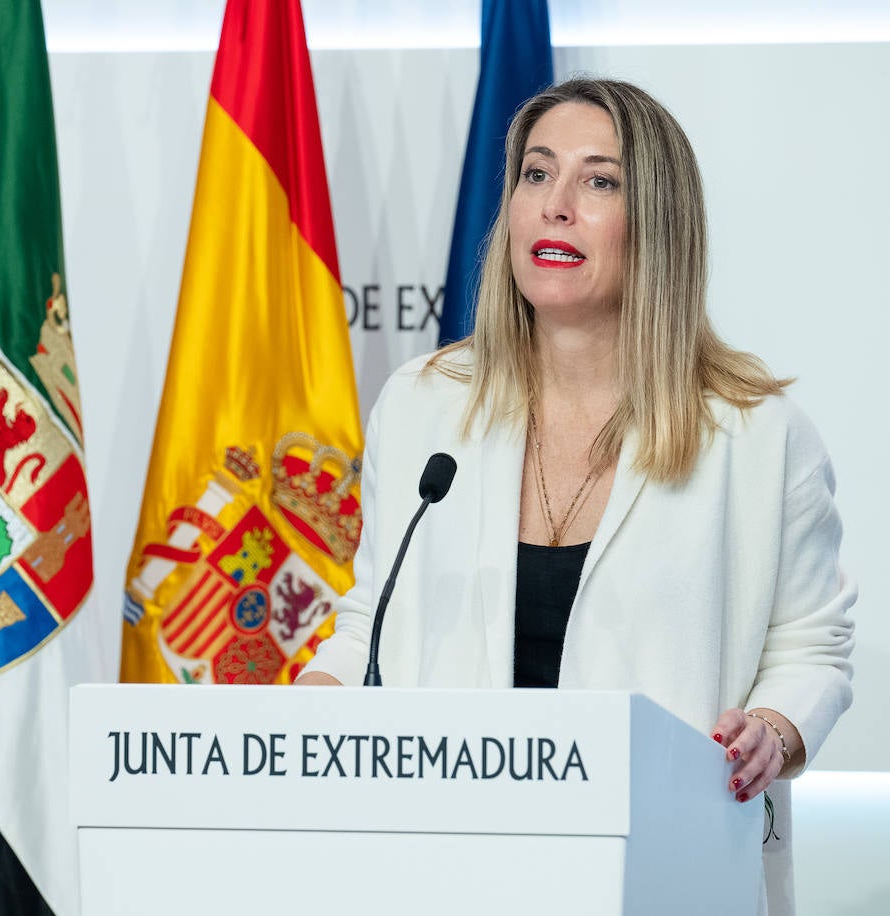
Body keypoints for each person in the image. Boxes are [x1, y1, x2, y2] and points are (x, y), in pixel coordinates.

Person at [294, 78, 855, 914]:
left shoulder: (756, 434)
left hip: (658, 870)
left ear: (658, 222)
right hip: (447, 869)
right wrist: (312, 705)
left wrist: (774, 729)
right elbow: (374, 620)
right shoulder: (423, 404)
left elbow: (814, 647)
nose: (555, 204)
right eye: (536, 173)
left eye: (599, 181)